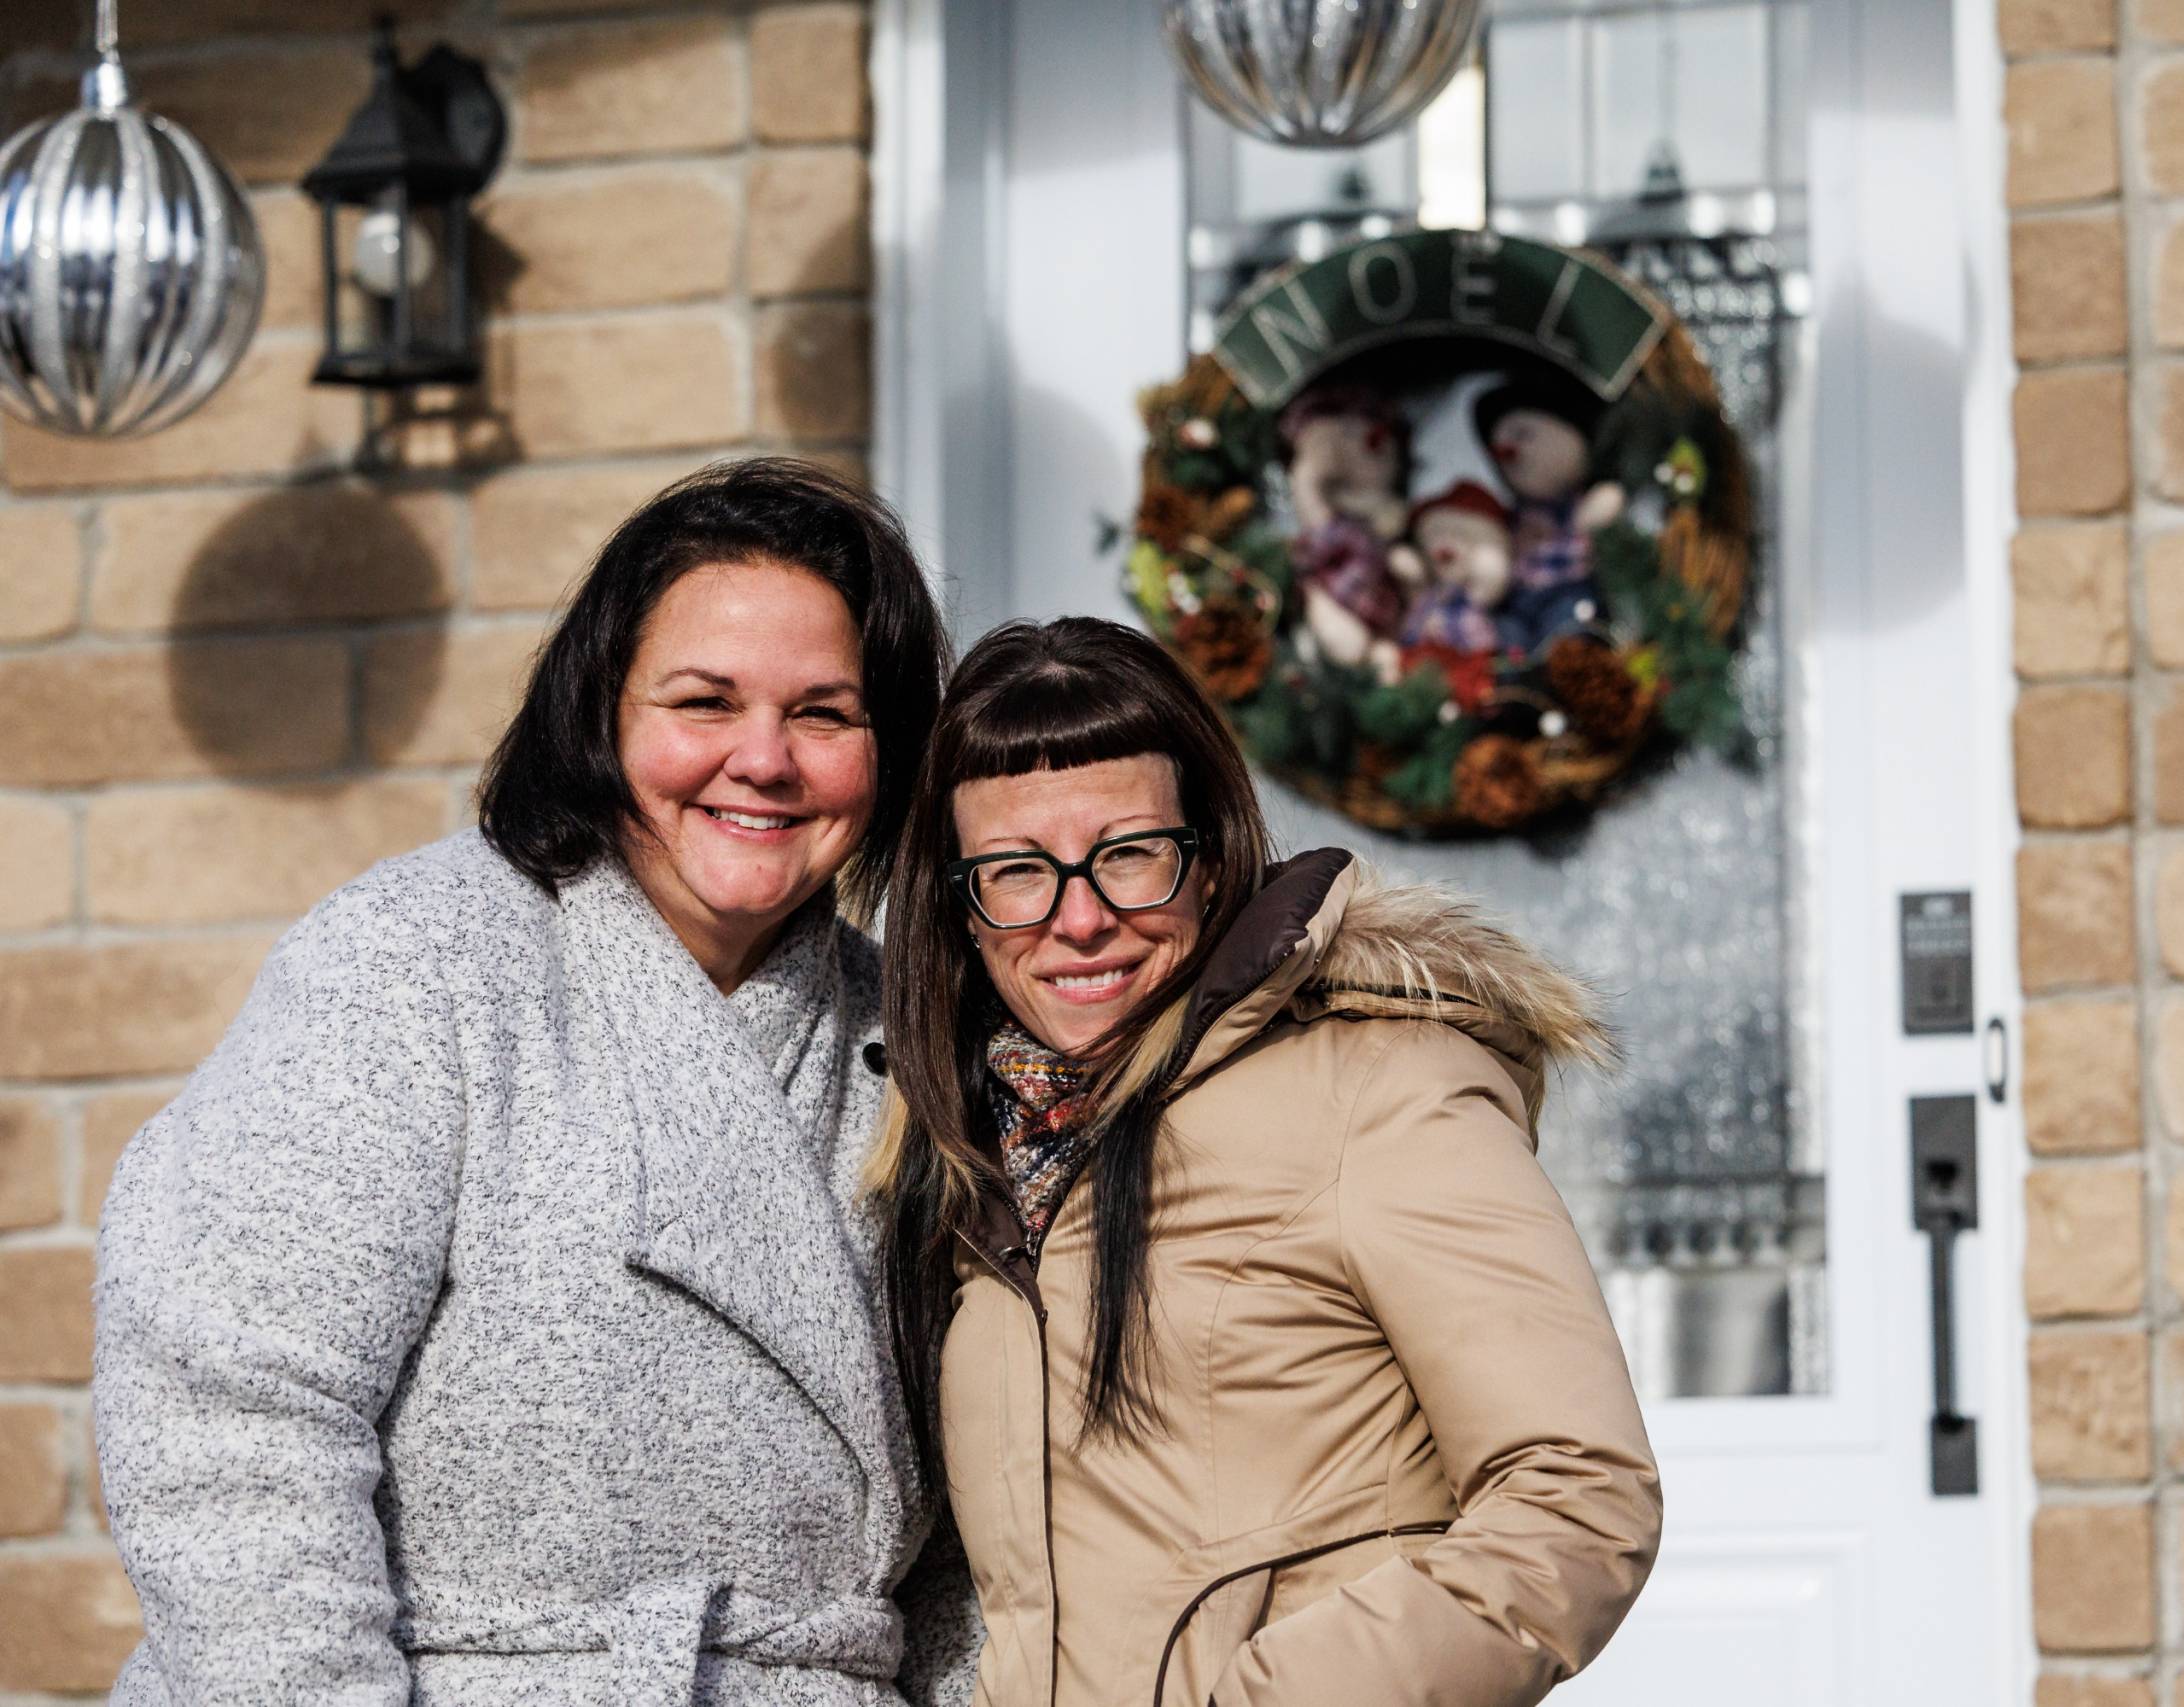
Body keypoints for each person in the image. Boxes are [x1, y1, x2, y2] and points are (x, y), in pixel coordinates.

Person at [91, 458, 979, 1707]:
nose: (764, 760)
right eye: (703, 700)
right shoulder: (416, 961)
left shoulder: (920, 1043)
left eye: (826, 714)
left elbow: (976, 1538)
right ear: (600, 714)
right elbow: (230, 1413)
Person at [869, 616, 1661, 1707]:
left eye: (1129, 855)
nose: (1080, 919)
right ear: (959, 908)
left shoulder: (1378, 1092)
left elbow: (1576, 1496)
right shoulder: (976, 1158)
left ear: (1208, 861)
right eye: (1015, 871)